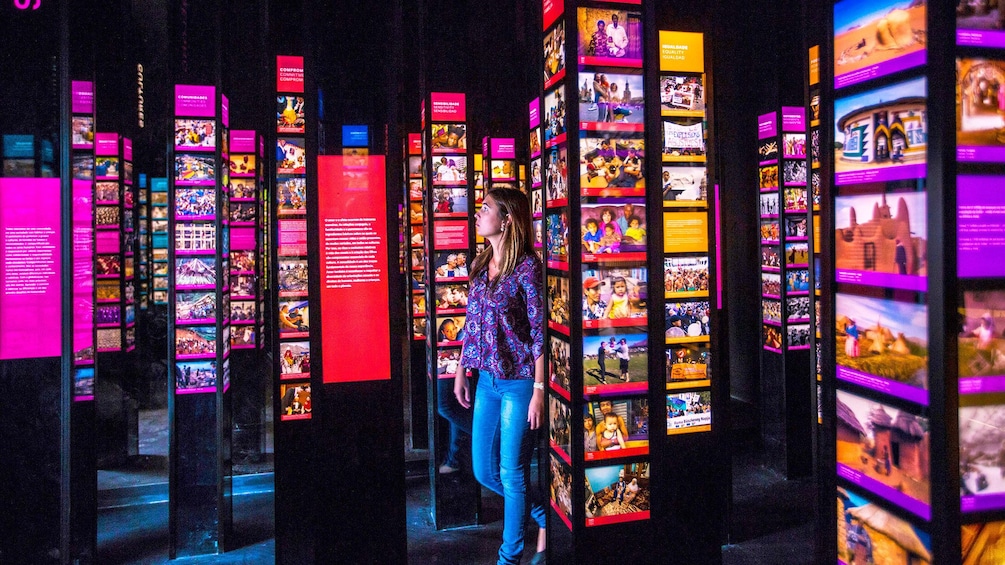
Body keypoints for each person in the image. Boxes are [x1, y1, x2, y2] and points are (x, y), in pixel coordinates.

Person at [454, 188, 547, 565]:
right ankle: (547, 517)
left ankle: (508, 558)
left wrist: (540, 390)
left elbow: (541, 333)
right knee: (483, 469)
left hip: (521, 382)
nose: (478, 215)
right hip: (487, 382)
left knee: (512, 472)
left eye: (485, 209)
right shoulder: (479, 264)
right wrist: (462, 369)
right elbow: (471, 325)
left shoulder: (528, 267)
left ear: (507, 219)